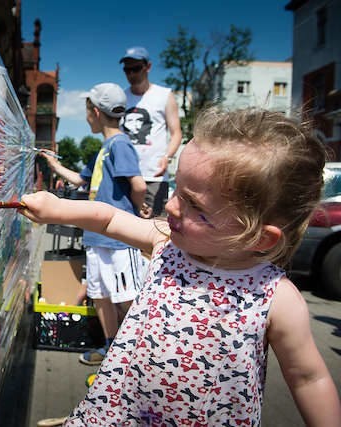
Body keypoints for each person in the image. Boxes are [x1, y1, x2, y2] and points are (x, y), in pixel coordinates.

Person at [24, 107, 341, 426]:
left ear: (258, 237)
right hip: (117, 414)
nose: (171, 205)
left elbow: (309, 379)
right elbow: (109, 218)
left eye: (195, 205)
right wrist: (57, 208)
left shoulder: (276, 298)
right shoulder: (167, 243)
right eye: (177, 190)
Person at [39, 82, 147, 366]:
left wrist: (136, 210)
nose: (86, 118)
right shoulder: (104, 149)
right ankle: (112, 347)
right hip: (97, 237)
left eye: (87, 113)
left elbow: (138, 184)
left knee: (128, 298)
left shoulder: (120, 145)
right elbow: (81, 179)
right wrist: (53, 165)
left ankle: (140, 354)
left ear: (96, 113)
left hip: (119, 238)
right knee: (101, 295)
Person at [119, 46, 182, 218]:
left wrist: (167, 157)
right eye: (127, 69)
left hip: (153, 174)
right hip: (126, 174)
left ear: (148, 67)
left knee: (152, 227)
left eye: (136, 68)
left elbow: (176, 133)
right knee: (125, 227)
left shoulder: (164, 95)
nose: (131, 74)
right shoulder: (121, 97)